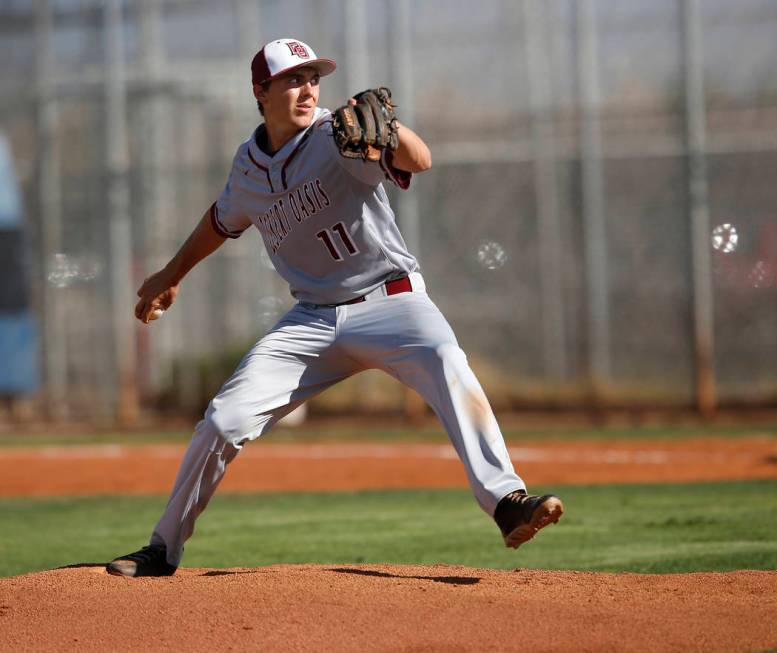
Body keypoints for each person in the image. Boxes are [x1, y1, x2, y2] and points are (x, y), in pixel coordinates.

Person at [107, 38, 563, 577]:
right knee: (223, 421)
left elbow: (420, 159)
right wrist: (171, 274)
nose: (307, 89)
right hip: (313, 319)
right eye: (292, 80)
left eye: (313, 78)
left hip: (392, 302)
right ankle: (163, 549)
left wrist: (392, 134)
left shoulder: (337, 133)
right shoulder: (248, 165)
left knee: (447, 360)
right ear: (261, 92)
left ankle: (507, 501)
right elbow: (222, 218)